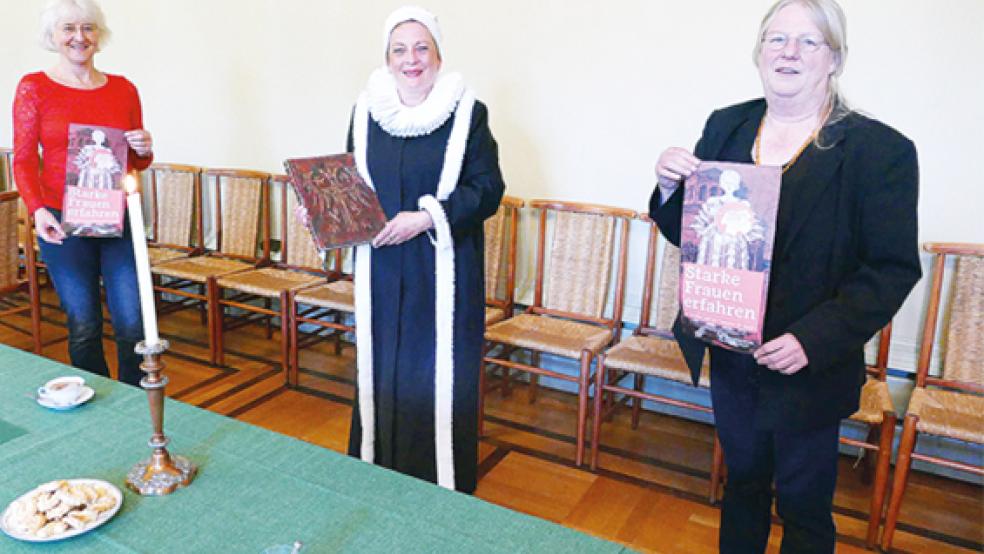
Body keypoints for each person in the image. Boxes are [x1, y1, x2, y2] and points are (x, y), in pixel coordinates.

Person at [649, 0, 920, 552]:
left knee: (804, 505)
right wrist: (669, 187)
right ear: (759, 52)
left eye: (808, 41)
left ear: (834, 59)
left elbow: (890, 269)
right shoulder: (727, 124)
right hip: (731, 355)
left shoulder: (880, 151)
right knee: (743, 486)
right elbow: (693, 236)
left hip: (807, 364)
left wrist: (812, 340)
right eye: (776, 39)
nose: (789, 52)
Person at [345, 6, 505, 493]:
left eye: (421, 48)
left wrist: (426, 217)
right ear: (387, 57)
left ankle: (440, 484)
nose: (410, 59)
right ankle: (378, 468)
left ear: (437, 53)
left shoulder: (467, 113)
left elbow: (488, 188)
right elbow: (347, 182)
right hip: (381, 264)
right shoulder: (366, 110)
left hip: (441, 267)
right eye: (399, 49)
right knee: (382, 369)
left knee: (436, 373)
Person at [13, 0, 154, 386]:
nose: (80, 37)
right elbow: (23, 160)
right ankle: (97, 406)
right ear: (54, 37)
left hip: (118, 218)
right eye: (69, 29)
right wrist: (38, 209)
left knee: (132, 323)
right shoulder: (34, 87)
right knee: (84, 323)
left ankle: (132, 401)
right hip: (62, 220)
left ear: (99, 35)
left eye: (88, 28)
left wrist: (144, 148)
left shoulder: (124, 89)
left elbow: (135, 162)